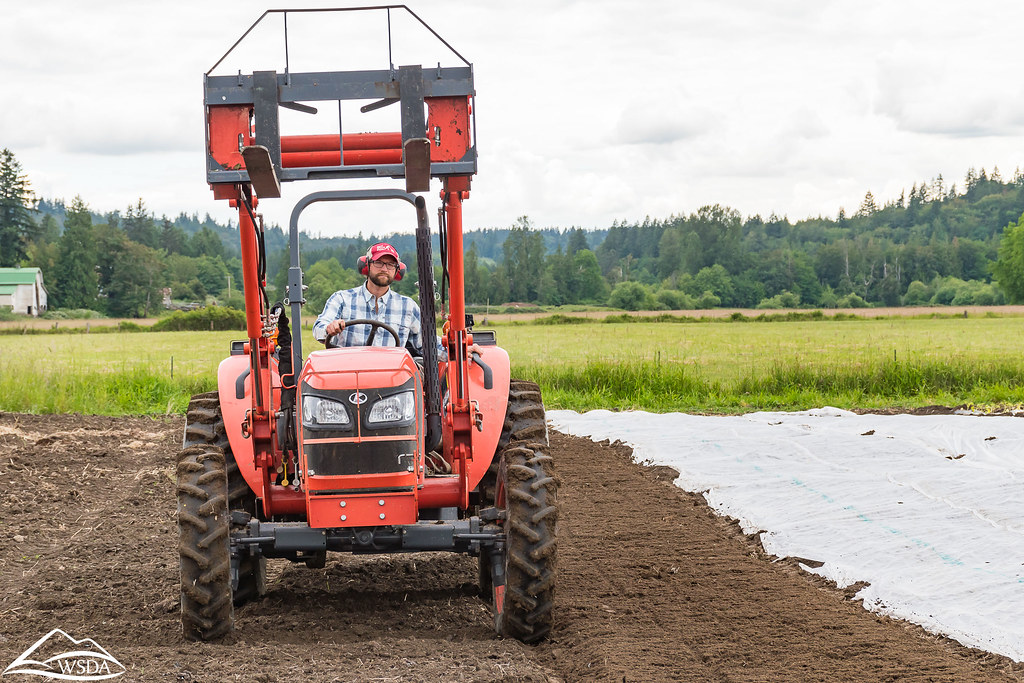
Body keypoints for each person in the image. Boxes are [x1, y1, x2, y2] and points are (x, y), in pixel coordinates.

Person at [312, 242, 426, 355]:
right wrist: (329, 328)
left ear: (397, 270)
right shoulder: (342, 299)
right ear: (367, 265)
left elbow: (428, 344)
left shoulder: (408, 306)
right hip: (349, 369)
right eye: (378, 263)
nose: (384, 269)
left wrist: (444, 345)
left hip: (391, 371)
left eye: (390, 264)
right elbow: (319, 327)